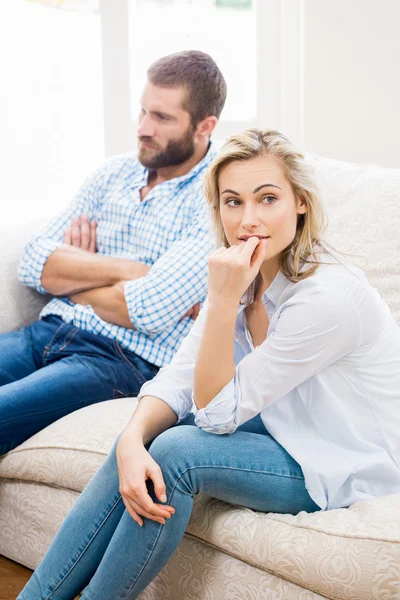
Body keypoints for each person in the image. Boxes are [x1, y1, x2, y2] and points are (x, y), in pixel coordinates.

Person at [18, 129, 400, 600]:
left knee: (178, 454)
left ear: (300, 202)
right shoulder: (241, 273)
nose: (249, 219)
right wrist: (132, 440)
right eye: (233, 202)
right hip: (287, 426)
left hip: (339, 459)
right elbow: (179, 379)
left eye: (267, 199)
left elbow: (215, 415)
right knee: (145, 439)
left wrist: (219, 303)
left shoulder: (327, 299)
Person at [0, 50, 227, 455]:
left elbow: (150, 309)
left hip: (117, 360)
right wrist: (132, 270)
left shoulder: (217, 198)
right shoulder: (113, 174)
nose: (142, 128)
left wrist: (72, 278)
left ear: (204, 126)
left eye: (161, 117)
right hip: (49, 331)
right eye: (142, 111)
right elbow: (33, 262)